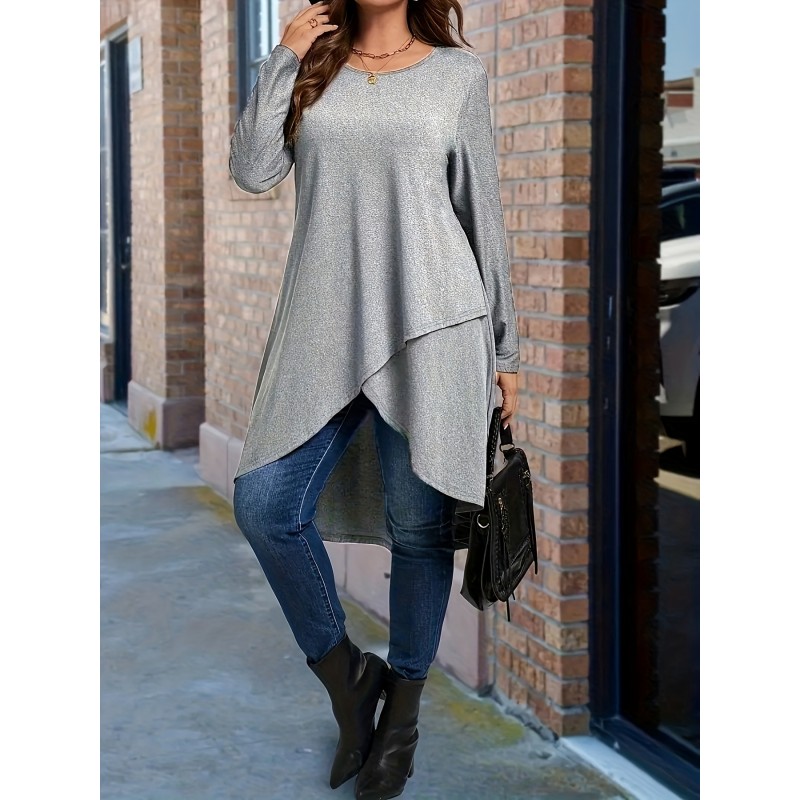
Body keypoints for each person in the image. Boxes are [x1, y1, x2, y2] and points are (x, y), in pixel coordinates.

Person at [228, 0, 519, 797]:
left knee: (419, 533)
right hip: (322, 326)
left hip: (435, 324)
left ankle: (403, 718)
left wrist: (505, 351)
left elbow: (482, 213)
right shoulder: (312, 68)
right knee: (265, 504)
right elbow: (253, 170)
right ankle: (350, 679)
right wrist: (282, 59)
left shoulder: (458, 75)